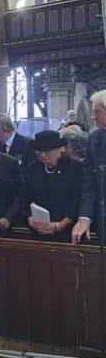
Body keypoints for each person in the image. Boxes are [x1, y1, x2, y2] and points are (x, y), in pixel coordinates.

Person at [21, 130, 82, 243]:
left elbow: (78, 201)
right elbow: (24, 197)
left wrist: (60, 225)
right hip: (37, 233)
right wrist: (29, 219)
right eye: (39, 152)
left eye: (47, 152)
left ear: (59, 149)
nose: (43, 155)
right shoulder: (32, 169)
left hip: (66, 233)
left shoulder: (75, 168)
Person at [72, 89, 106, 245]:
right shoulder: (94, 138)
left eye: (97, 111)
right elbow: (88, 183)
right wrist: (84, 217)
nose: (93, 117)